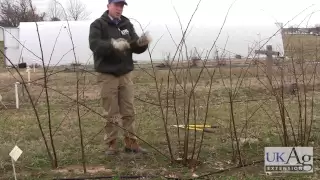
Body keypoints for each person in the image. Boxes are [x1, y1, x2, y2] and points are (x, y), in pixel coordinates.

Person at [88, 0, 152, 155]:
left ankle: (131, 143)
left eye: (122, 6)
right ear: (108, 6)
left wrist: (141, 43)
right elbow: (94, 44)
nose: (119, 9)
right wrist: (113, 45)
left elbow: (133, 46)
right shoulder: (98, 25)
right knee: (111, 112)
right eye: (116, 5)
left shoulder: (126, 24)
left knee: (129, 110)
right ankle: (111, 145)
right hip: (107, 74)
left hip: (125, 74)